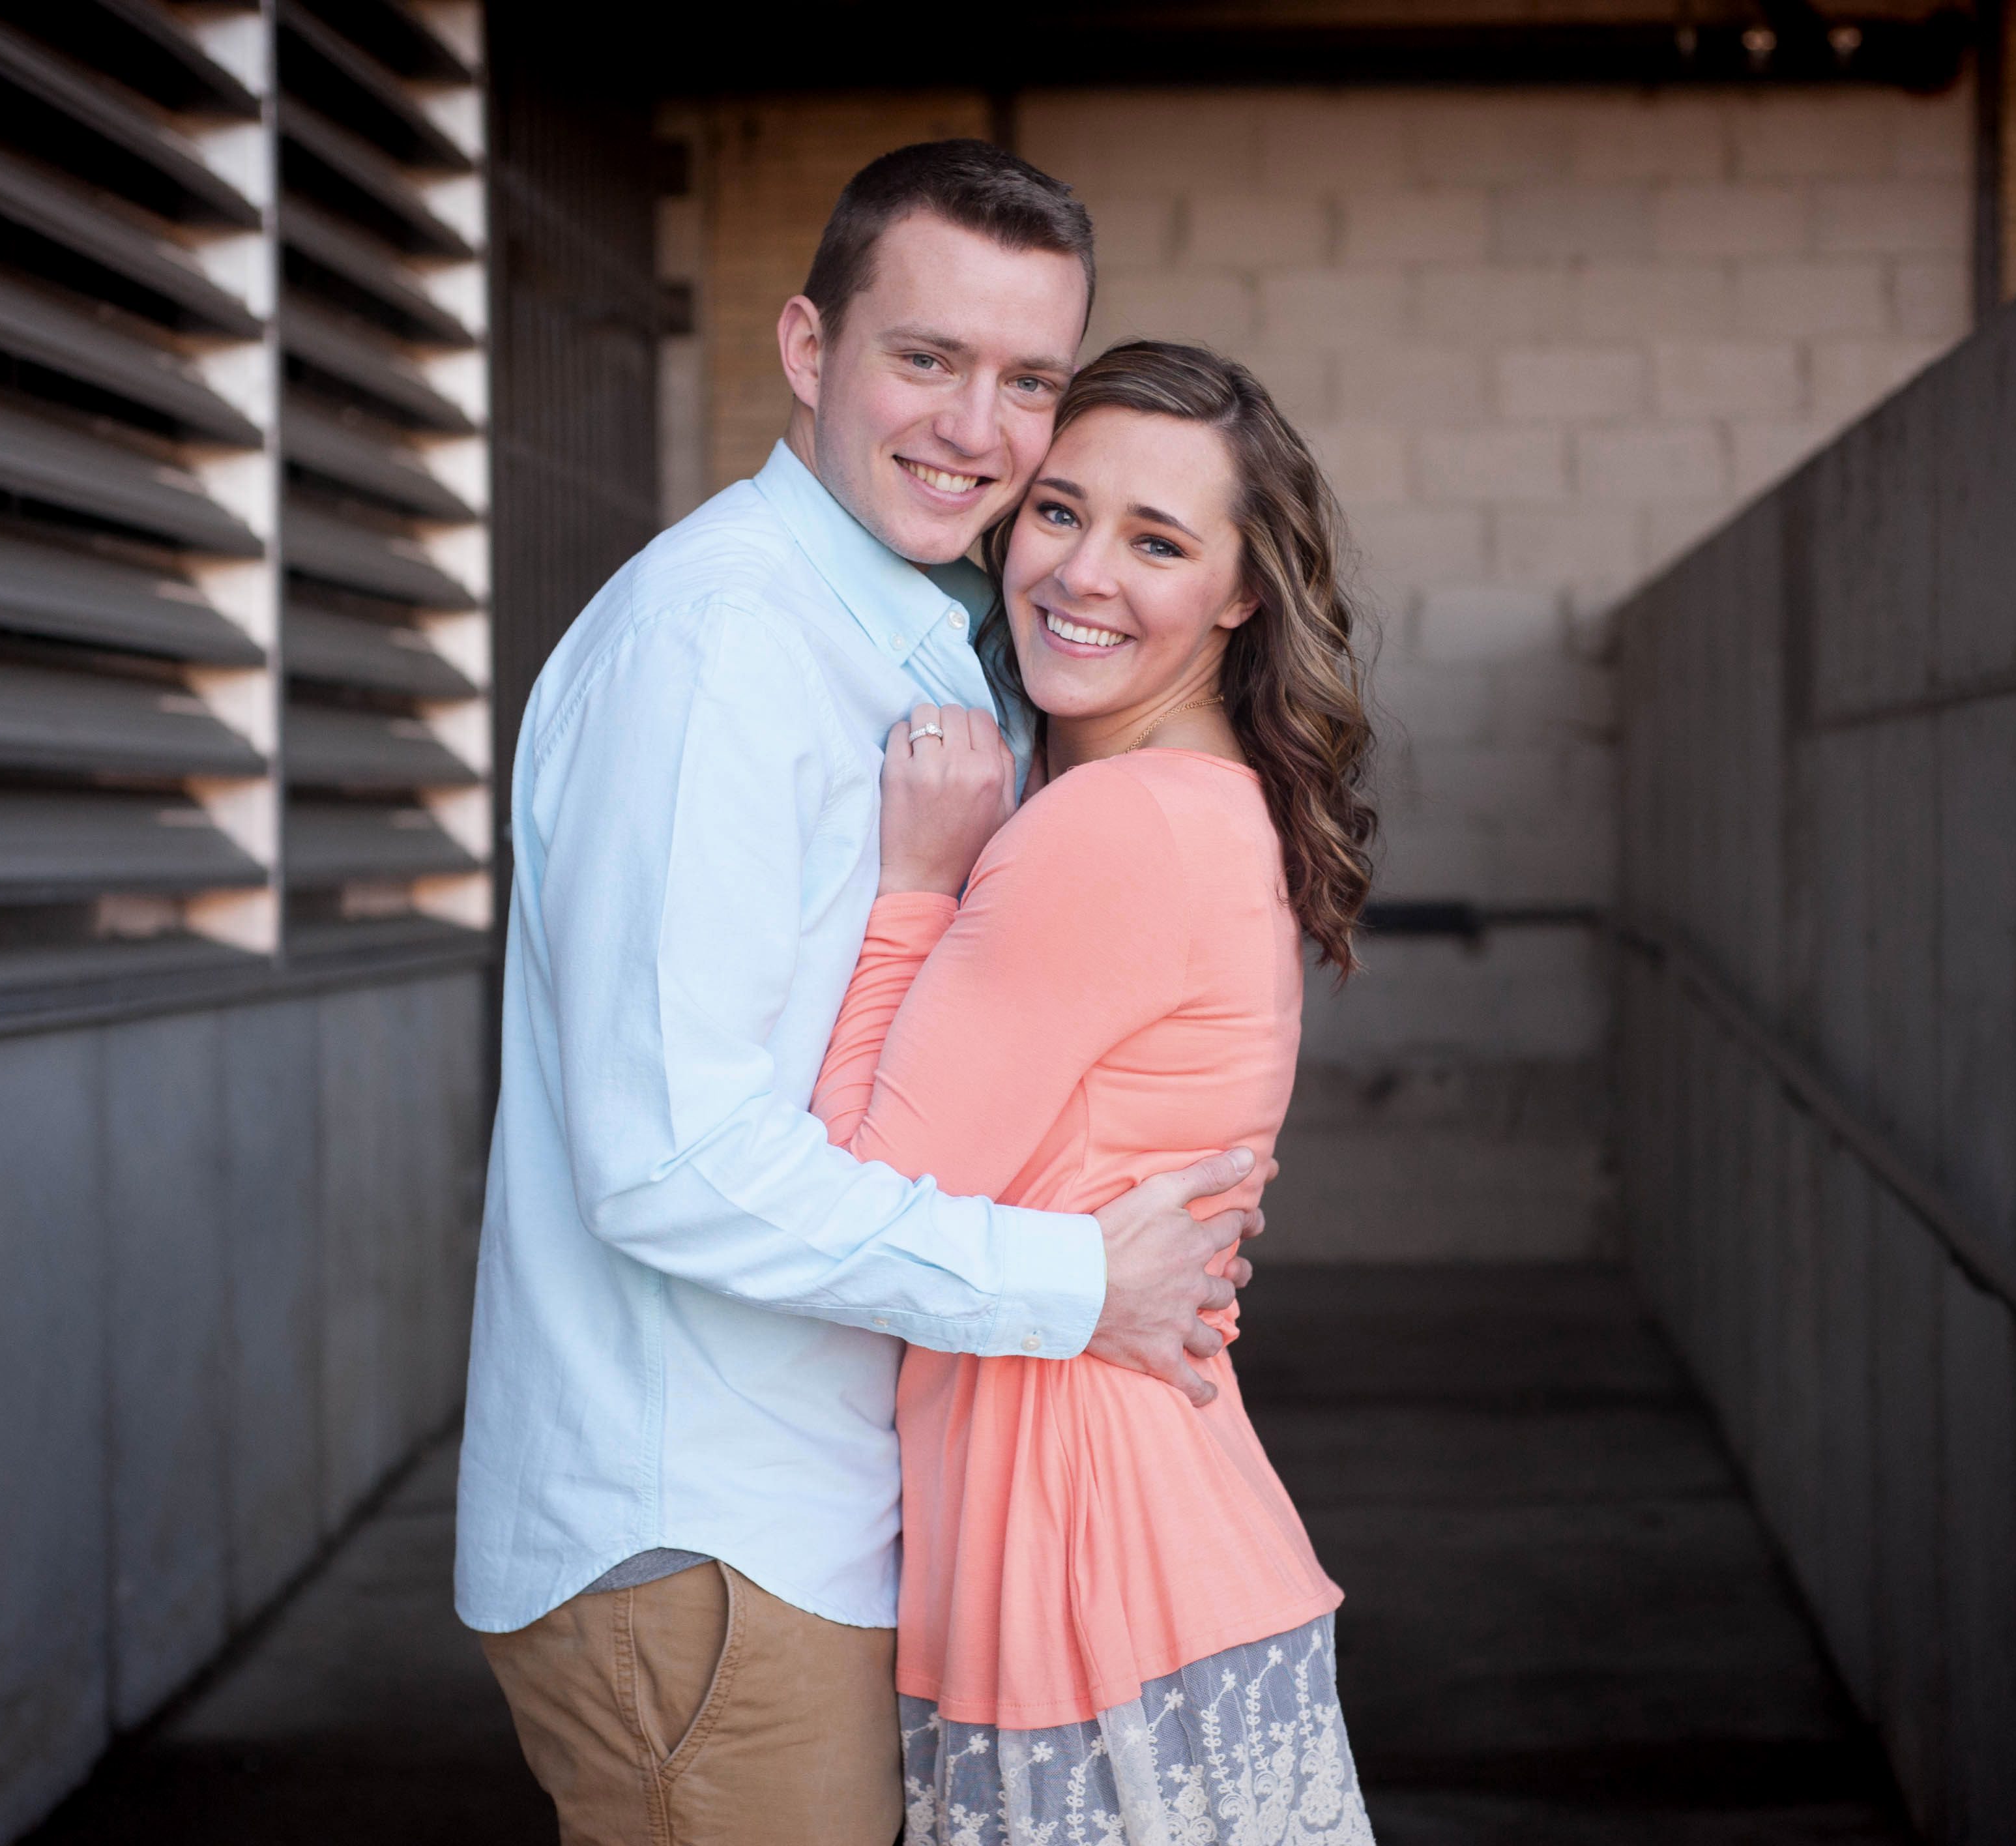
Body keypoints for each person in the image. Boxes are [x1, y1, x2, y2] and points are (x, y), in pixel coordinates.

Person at [458, 145, 1274, 1844]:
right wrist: (1071, 1278)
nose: (977, 427)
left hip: (816, 1521)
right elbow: (670, 1158)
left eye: (1028, 379)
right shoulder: (716, 654)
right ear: (811, 351)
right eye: (926, 359)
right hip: (705, 1545)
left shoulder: (919, 632)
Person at [811, 340, 1380, 1842]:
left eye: (1158, 541)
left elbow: (855, 1185)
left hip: (1082, 1567)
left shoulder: (1110, 828)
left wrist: (914, 890)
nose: (1082, 574)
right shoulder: (1200, 805)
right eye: (1059, 513)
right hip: (1141, 1543)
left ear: (1241, 593)